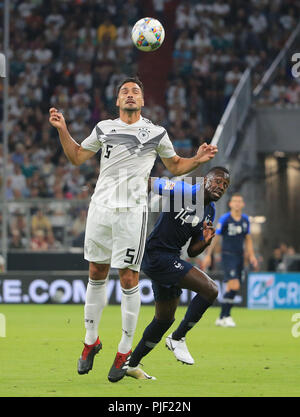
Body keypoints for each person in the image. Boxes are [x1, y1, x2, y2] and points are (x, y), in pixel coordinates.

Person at [49, 76, 218, 383]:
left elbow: (176, 166)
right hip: (100, 208)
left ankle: (124, 350)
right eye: (124, 91)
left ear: (142, 101)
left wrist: (198, 158)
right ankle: (91, 342)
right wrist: (63, 131)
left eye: (135, 91)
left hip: (132, 213)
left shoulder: (156, 132)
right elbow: (76, 157)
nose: (129, 94)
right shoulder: (104, 128)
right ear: (117, 101)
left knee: (128, 277)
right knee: (96, 272)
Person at [123, 166, 230, 380]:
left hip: (171, 258)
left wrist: (205, 242)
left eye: (225, 185)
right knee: (211, 290)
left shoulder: (209, 211)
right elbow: (151, 182)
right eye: (217, 181)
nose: (220, 187)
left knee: (164, 319)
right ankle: (178, 338)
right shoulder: (182, 190)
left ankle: (130, 365)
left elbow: (192, 250)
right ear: (204, 180)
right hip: (157, 256)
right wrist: (131, 208)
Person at [202, 193, 258, 327]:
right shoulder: (225, 219)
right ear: (230, 204)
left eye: (240, 201)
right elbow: (216, 238)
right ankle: (225, 316)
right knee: (235, 285)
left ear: (243, 204)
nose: (238, 203)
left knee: (231, 287)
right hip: (228, 255)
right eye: (235, 201)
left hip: (240, 257)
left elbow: (248, 239)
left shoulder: (245, 220)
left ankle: (222, 317)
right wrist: (208, 255)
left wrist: (252, 255)